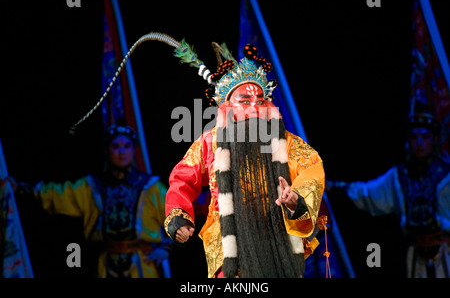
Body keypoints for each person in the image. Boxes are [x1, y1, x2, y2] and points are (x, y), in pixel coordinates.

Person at [164, 44, 325, 278]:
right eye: (244, 101)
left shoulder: (286, 142)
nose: (254, 109)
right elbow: (182, 178)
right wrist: (179, 216)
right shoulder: (211, 142)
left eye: (260, 102)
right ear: (227, 107)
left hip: (279, 244)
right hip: (231, 247)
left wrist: (296, 199)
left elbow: (312, 167)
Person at [13, 122, 171, 278]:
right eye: (115, 147)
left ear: (133, 149)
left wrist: (166, 248)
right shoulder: (92, 187)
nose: (121, 152)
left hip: (141, 266)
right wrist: (21, 188)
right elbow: (59, 194)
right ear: (107, 151)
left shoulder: (150, 186)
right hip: (105, 266)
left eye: (127, 146)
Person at [326, 108, 450, 278]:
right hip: (416, 255)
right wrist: (331, 186)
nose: (420, 142)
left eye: (425, 137)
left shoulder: (447, 175)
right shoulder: (399, 176)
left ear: (435, 139)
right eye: (414, 137)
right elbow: (367, 193)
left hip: (446, 252)